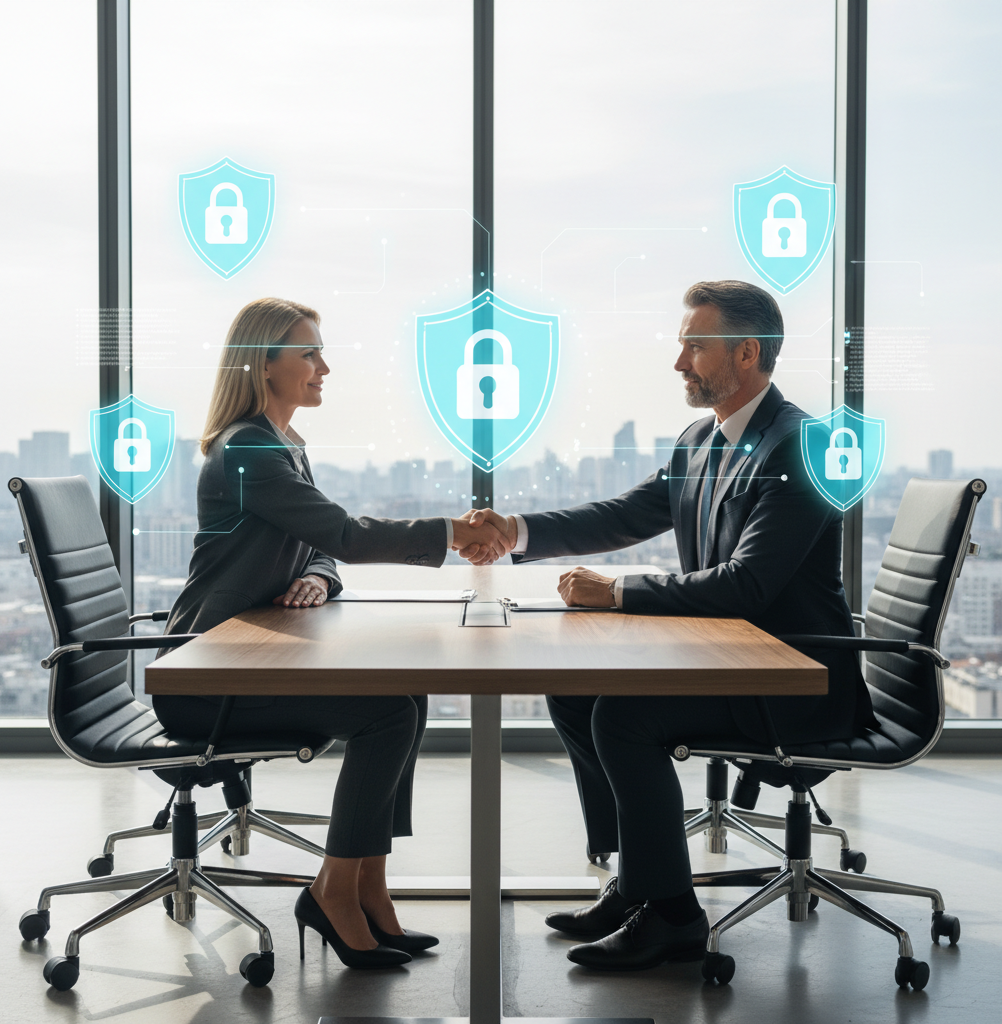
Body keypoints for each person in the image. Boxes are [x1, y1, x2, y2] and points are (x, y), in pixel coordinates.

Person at [459, 280, 876, 971]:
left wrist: (617, 591)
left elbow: (748, 584)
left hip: (795, 678)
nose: (679, 362)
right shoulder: (700, 440)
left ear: (746, 353)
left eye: (695, 345)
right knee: (575, 692)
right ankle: (637, 881)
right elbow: (622, 515)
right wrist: (516, 530)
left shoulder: (801, 446)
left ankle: (674, 917)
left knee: (623, 716)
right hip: (731, 660)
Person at [156, 297, 507, 969]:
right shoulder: (248, 449)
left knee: (405, 696)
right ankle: (333, 894)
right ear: (264, 365)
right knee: (384, 716)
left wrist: (321, 580)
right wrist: (453, 532)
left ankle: (368, 887)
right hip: (206, 675)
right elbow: (342, 532)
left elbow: (319, 547)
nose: (324, 367)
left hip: (243, 659)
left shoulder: (283, 443)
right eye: (308, 353)